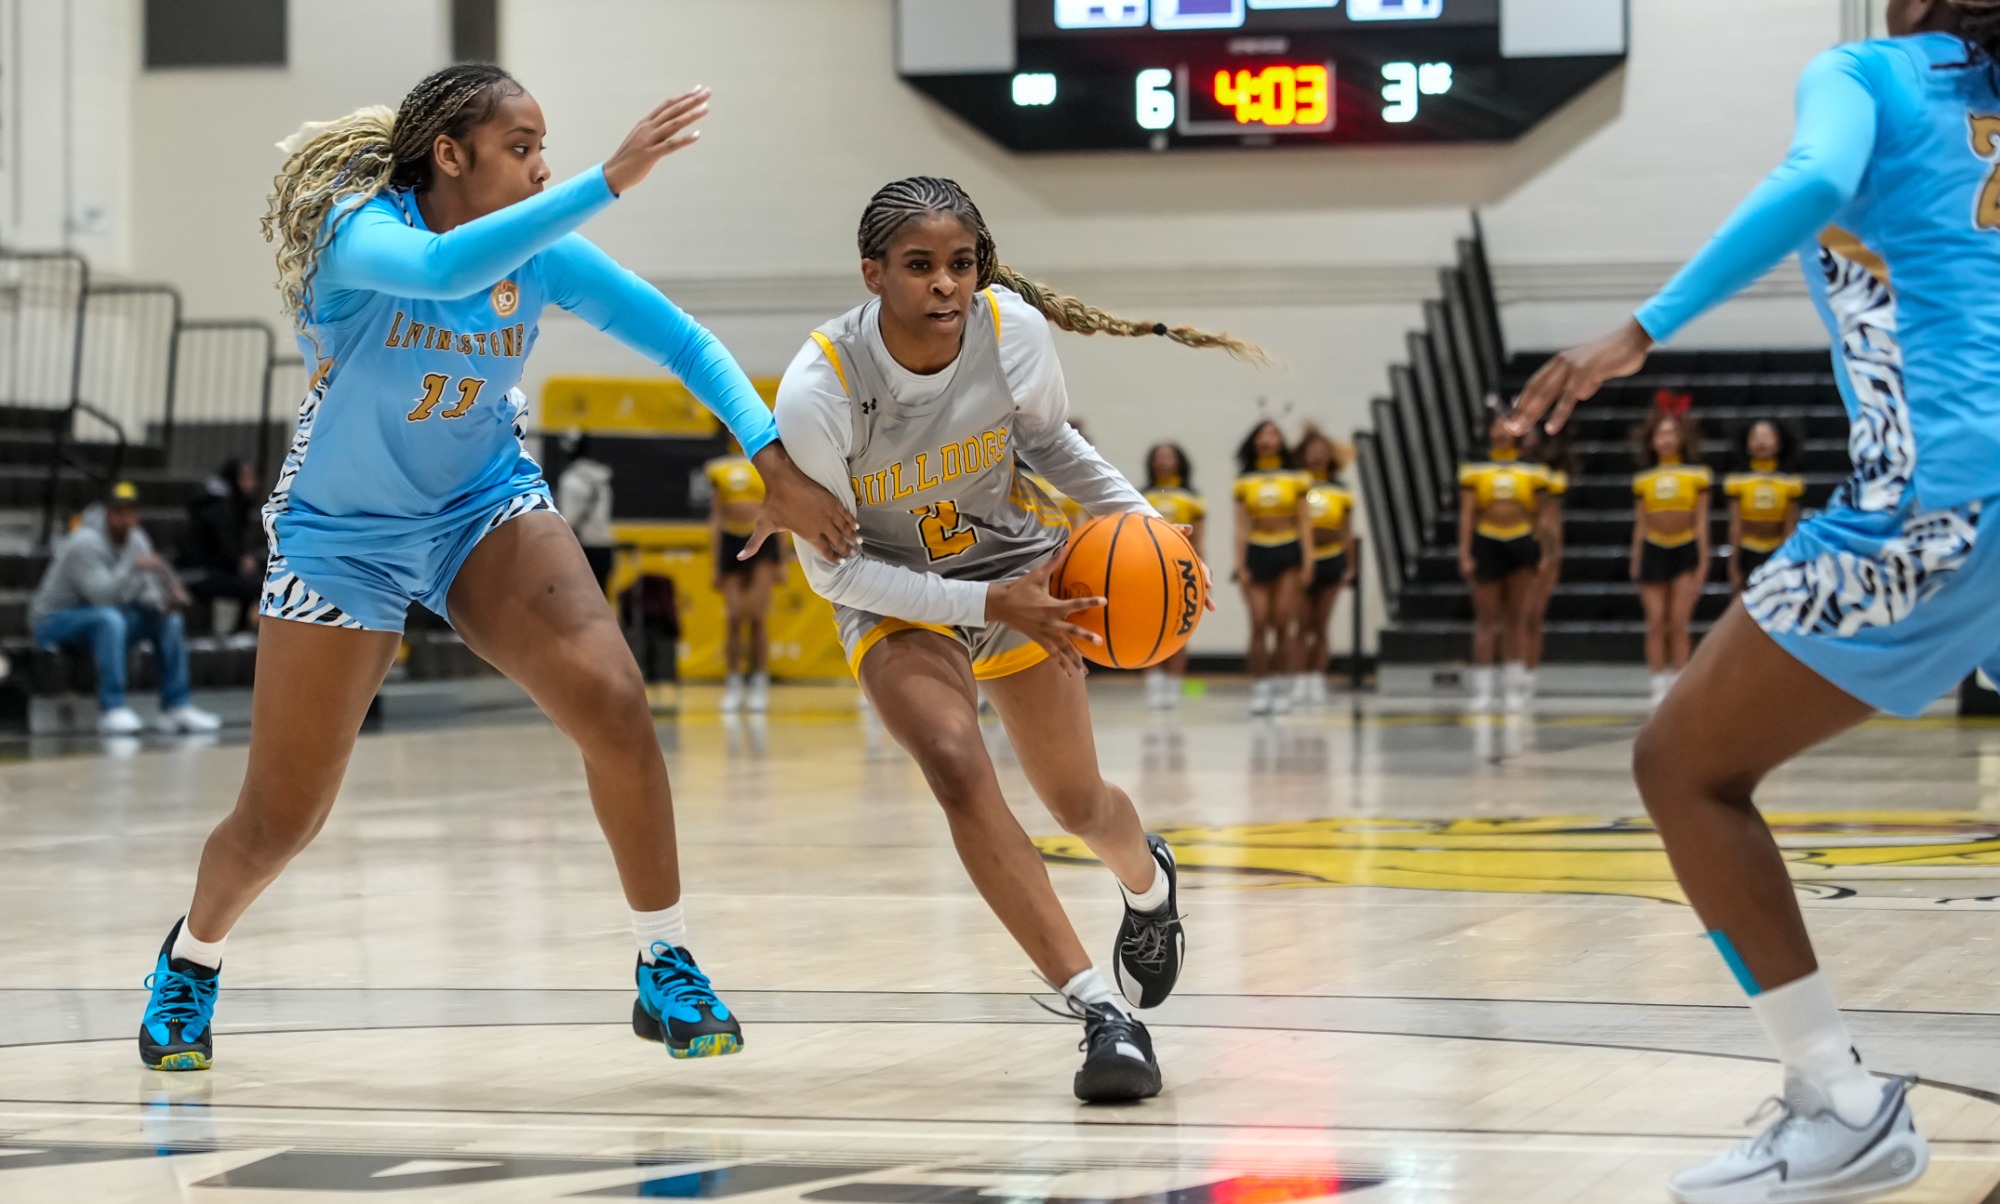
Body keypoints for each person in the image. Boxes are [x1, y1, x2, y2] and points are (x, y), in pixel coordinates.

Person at [135, 64, 857, 1074]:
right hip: (344, 536)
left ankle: (665, 957)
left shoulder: (543, 255)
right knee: (280, 817)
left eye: (545, 150)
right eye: (521, 148)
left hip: (479, 508)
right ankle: (192, 956)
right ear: (449, 155)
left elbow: (684, 342)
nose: (541, 166)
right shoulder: (358, 234)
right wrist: (609, 179)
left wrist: (768, 458)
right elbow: (438, 277)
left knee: (613, 702)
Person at [1504, 3, 2000, 1196]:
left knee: (1681, 764)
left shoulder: (1866, 73)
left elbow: (1812, 174)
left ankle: (1834, 1099)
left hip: (1938, 502)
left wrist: (1636, 330)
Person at [773, 176, 1252, 1103]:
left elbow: (1056, 447)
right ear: (873, 273)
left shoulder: (1014, 331)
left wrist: (1153, 532)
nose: (945, 286)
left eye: (961, 265)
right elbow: (832, 573)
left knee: (1076, 804)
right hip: (897, 596)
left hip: (1017, 570)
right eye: (920, 267)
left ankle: (1147, 881)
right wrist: (989, 607)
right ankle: (1100, 1013)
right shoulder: (821, 389)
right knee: (956, 765)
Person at [32, 482, 223, 735]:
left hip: (107, 617)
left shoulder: (137, 538)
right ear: (106, 513)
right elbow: (103, 596)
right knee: (110, 619)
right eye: (118, 512)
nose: (125, 519)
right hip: (54, 621)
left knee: (169, 620)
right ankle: (112, 708)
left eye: (130, 511)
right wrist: (133, 565)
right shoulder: (84, 543)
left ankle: (176, 707)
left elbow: (145, 588)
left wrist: (160, 602)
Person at [1457, 413, 1555, 712]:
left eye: (1506, 425)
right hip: (1487, 541)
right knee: (1486, 619)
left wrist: (1543, 551)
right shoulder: (1475, 471)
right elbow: (1468, 515)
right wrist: (1465, 553)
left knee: (1516, 618)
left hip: (1521, 542)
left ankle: (1514, 687)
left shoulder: (1533, 472)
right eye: (1496, 424)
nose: (1500, 429)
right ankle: (1483, 689)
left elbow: (1542, 516)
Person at [1630, 397, 1713, 709]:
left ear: (1681, 438)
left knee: (1679, 621)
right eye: (1661, 434)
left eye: (1672, 433)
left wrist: (1703, 558)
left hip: (1685, 547)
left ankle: (1679, 682)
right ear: (1652, 440)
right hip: (1654, 547)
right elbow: (1640, 523)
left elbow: (1701, 520)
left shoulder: (1697, 475)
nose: (1666, 438)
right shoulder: (1643, 479)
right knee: (1656, 621)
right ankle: (1656, 683)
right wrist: (1637, 557)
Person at [1232, 419, 1311, 716]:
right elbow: (1241, 526)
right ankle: (1261, 686)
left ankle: (1282, 686)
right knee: (1259, 620)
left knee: (1282, 621)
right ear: (1254, 440)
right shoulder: (1244, 480)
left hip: (1288, 550)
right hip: (1257, 549)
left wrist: (1308, 561)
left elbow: (1304, 521)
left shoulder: (1296, 477)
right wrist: (1240, 565)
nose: (1268, 437)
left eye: (1274, 432)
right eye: (1263, 432)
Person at [704, 437, 781, 713]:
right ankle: (734, 681)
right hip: (730, 539)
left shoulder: (766, 461)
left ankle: (759, 680)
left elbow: (775, 508)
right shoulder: (717, 470)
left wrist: (780, 560)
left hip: (762, 538)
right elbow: (714, 517)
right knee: (735, 616)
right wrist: (715, 565)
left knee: (758, 616)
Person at [1140, 441, 1205, 710]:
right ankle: (1154, 682)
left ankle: (1174, 684)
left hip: (1181, 570)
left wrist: (1201, 569)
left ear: (1180, 461)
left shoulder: (1192, 497)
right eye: (1159, 456)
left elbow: (1199, 540)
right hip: (1148, 569)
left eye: (1169, 456)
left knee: (1180, 627)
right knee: (1149, 627)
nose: (1164, 461)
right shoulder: (1141, 495)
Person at [1295, 426, 1355, 707]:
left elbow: (1346, 530)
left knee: (1321, 624)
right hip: (1303, 560)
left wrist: (1350, 564)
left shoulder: (1341, 490)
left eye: (1322, 450)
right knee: (1301, 624)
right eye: (1312, 450)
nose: (1317, 455)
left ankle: (1317, 678)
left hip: (1332, 557)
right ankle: (1299, 679)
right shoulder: (1297, 484)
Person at [178, 459, 265, 640]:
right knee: (255, 584)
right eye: (246, 478)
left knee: (254, 577)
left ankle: (241, 630)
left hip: (207, 569)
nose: (251, 484)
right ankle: (241, 632)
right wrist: (241, 562)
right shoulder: (221, 508)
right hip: (200, 573)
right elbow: (225, 552)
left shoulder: (225, 504)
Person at [1519, 422, 1572, 698]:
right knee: (1514, 616)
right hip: (1510, 545)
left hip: (1536, 548)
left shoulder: (1549, 477)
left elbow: (1551, 521)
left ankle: (1528, 676)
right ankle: (1512, 673)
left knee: (1532, 616)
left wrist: (1550, 554)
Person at [1724, 419, 1806, 596]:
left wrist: (1787, 561)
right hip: (1748, 551)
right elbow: (1736, 525)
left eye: (1767, 436)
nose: (1761, 442)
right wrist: (1733, 565)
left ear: (1779, 443)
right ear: (1746, 444)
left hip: (1775, 551)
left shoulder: (1791, 483)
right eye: (1755, 437)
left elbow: (1789, 526)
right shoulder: (1737, 482)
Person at [554, 433, 615, 592]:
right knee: (601, 607)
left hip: (582, 550)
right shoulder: (602, 479)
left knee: (576, 606)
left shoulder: (570, 481)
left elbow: (568, 521)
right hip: (604, 549)